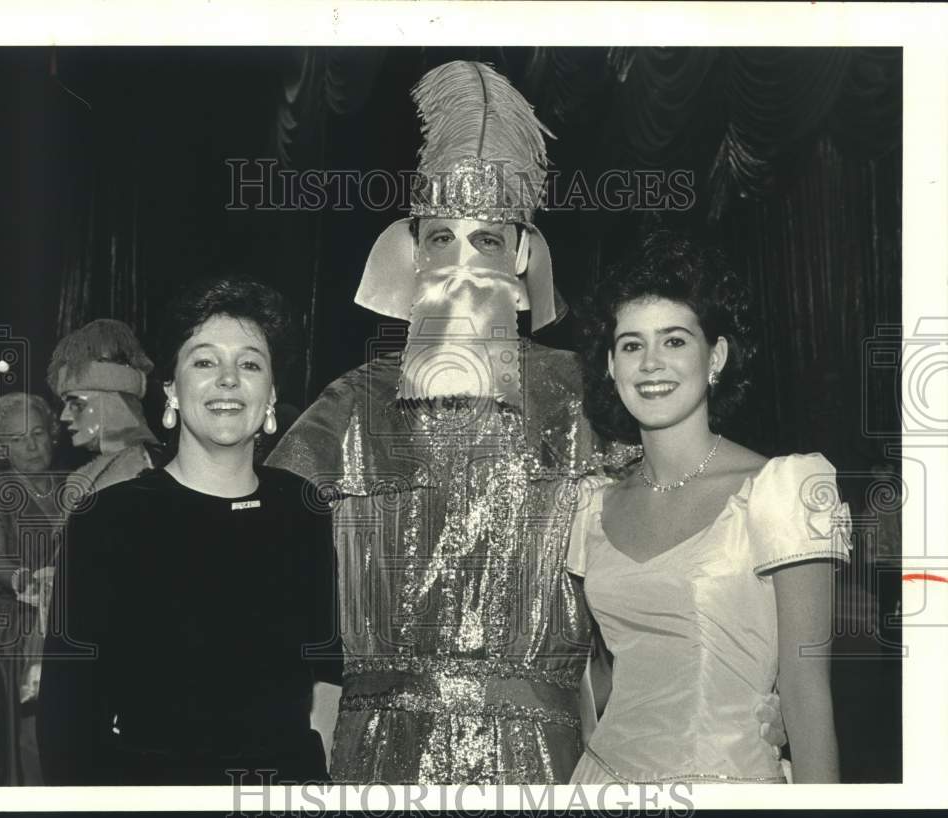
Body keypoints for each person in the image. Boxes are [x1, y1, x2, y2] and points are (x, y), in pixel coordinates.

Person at [267, 62, 783, 784]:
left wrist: (745, 700)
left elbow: (664, 581)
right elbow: (260, 584)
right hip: (382, 755)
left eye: (486, 240)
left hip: (540, 759)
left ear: (521, 256)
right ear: (409, 255)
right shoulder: (350, 406)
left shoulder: (582, 396)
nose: (461, 262)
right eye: (440, 238)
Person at [568, 231, 850, 784]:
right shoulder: (592, 503)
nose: (651, 364)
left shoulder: (781, 488)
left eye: (674, 341)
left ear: (714, 357)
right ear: (610, 364)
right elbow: (596, 675)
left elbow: (806, 691)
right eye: (632, 345)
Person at [37, 277, 341, 785]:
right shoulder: (108, 518)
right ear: (172, 390)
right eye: (204, 361)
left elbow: (326, 673)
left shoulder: (303, 506)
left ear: (271, 394)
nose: (228, 379)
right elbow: (66, 718)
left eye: (249, 363)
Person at [0, 393, 65, 785]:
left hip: (63, 616)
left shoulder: (76, 483)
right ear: (0, 446)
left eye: (39, 434)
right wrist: (30, 583)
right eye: (17, 438)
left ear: (53, 435)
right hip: (15, 621)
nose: (31, 446)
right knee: (18, 735)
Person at [46, 318, 163, 496]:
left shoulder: (151, 469)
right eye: (65, 405)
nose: (64, 416)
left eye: (77, 404)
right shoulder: (80, 478)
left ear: (112, 405)